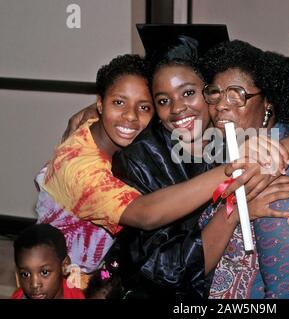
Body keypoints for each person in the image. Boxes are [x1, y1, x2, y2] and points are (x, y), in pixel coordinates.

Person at [35, 53, 254, 288]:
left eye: (144, 106)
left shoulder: (101, 130)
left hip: (102, 273)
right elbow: (145, 215)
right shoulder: (81, 168)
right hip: (65, 284)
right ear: (100, 103)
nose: (130, 116)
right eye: (118, 102)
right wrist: (232, 171)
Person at [200, 40, 289, 299]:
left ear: (268, 102)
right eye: (215, 93)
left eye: (237, 94)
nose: (221, 105)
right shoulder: (224, 152)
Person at [11, 224, 85, 299]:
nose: (34, 284)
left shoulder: (77, 296)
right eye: (25, 274)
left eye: (44, 272)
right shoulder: (19, 296)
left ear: (64, 266)